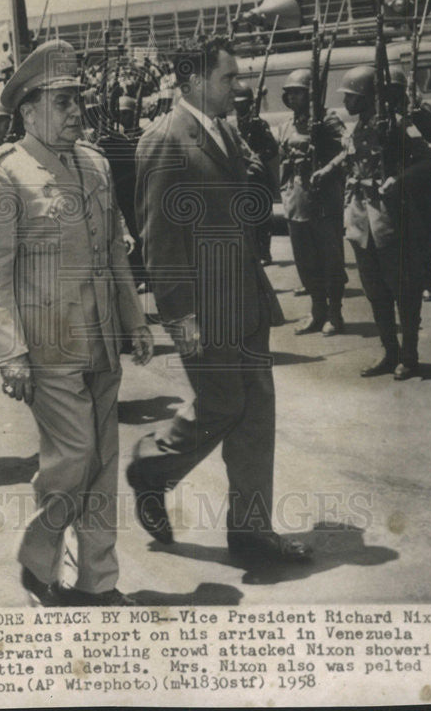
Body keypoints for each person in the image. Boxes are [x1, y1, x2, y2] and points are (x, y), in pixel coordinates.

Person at [0, 41, 153, 606]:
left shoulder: (93, 163)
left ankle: (99, 582)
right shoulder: (1, 176)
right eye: (63, 101)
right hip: (46, 348)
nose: (77, 112)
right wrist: (10, 353)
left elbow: (116, 252)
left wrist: (134, 321)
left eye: (79, 101)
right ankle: (37, 558)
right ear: (27, 111)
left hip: (99, 343)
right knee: (73, 461)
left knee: (102, 466)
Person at [128, 37, 310, 569]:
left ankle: (252, 532)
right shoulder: (164, 140)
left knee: (256, 413)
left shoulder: (226, 131)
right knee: (224, 406)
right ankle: (151, 470)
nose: (240, 86)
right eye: (228, 77)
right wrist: (179, 315)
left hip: (244, 297)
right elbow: (159, 239)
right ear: (193, 81)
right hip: (203, 306)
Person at [329, 66, 431, 379]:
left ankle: (410, 354)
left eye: (351, 96)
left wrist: (398, 180)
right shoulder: (357, 127)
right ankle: (389, 352)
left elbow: (429, 160)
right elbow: (350, 159)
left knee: (404, 289)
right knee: (375, 291)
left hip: (392, 219)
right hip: (362, 221)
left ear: (366, 97)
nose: (346, 102)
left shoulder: (397, 125)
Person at [277, 69, 348, 335]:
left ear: (310, 94)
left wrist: (327, 167)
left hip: (323, 201)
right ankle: (317, 310)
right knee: (305, 261)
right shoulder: (286, 125)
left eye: (298, 92)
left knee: (330, 259)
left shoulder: (328, 120)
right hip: (296, 201)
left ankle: (335, 313)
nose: (292, 97)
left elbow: (347, 151)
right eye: (289, 93)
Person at [386, 64, 431, 301]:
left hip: (421, 183)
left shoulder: (419, 113)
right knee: (402, 237)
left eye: (394, 90)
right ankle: (412, 281)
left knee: (426, 236)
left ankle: (429, 282)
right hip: (396, 183)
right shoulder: (384, 117)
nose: (389, 95)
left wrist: (429, 147)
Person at [232, 85, 278, 265]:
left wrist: (256, 158)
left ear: (250, 104)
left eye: (242, 104)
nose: (238, 107)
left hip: (258, 176)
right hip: (243, 176)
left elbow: (272, 149)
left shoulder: (259, 123)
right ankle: (253, 252)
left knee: (262, 216)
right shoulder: (234, 124)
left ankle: (264, 253)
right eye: (236, 104)